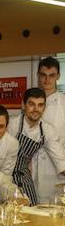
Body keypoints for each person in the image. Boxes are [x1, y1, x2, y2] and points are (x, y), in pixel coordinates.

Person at [9, 88, 65, 206]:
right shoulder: (11, 124)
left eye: (40, 105)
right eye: (31, 104)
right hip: (5, 174)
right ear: (23, 105)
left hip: (24, 175)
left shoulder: (47, 130)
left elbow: (60, 158)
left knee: (32, 206)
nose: (36, 109)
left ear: (44, 107)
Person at [34, 57, 65, 203]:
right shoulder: (30, 101)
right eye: (43, 75)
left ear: (58, 76)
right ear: (38, 75)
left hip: (57, 169)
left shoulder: (64, 103)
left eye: (51, 75)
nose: (47, 80)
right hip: (33, 166)